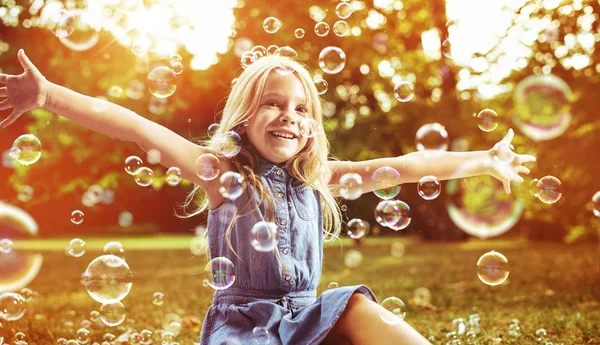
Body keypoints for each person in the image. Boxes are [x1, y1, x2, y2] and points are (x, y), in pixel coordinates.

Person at [0, 49, 535, 345]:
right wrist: (48, 94)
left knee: (355, 304)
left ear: (311, 126)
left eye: (301, 109)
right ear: (245, 114)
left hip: (308, 319)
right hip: (245, 327)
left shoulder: (319, 177)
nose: (289, 116)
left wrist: (484, 160)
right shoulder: (218, 171)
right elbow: (135, 125)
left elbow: (408, 166)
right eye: (273, 103)